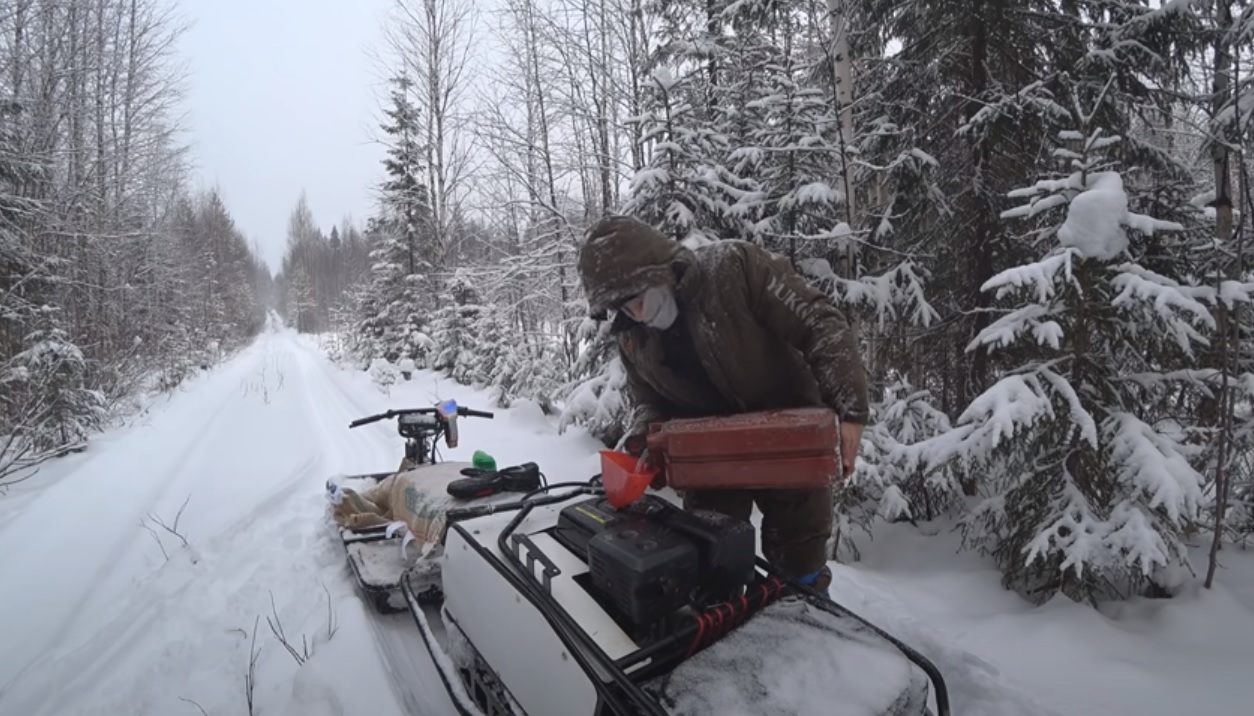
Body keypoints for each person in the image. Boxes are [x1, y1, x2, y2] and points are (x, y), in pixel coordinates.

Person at [576, 214, 870, 594]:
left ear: (661, 269)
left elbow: (819, 322)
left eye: (637, 299)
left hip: (786, 444)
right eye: (622, 308)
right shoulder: (633, 338)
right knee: (713, 563)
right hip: (709, 460)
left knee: (800, 562)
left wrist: (851, 410)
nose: (635, 314)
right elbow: (646, 401)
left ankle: (807, 630)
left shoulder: (735, 269)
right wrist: (643, 439)